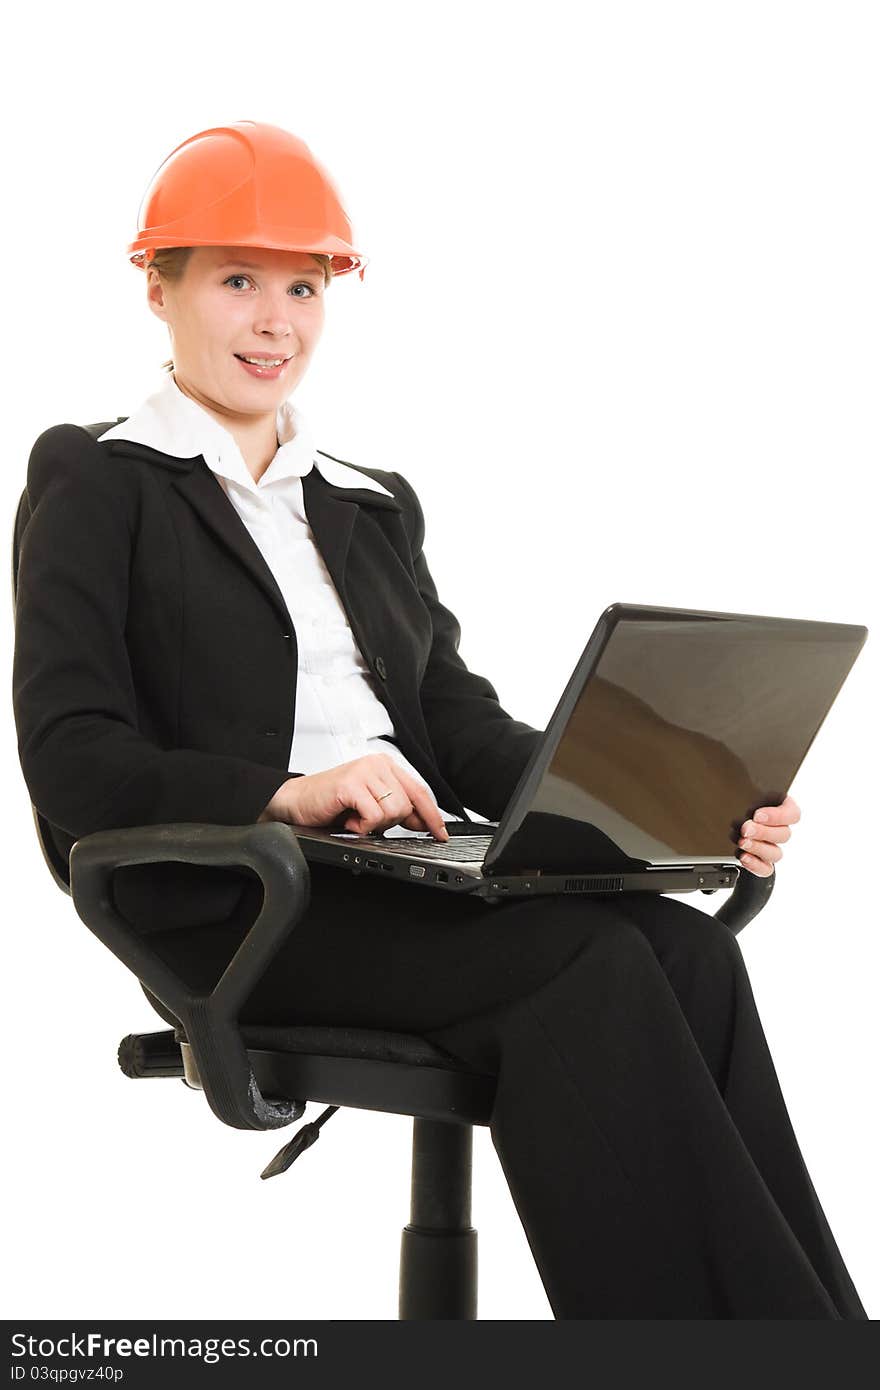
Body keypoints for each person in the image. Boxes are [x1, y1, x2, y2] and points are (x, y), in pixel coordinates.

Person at [11, 120, 869, 1320]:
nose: (276, 320)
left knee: (691, 954)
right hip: (252, 898)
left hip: (407, 874)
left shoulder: (365, 504)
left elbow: (459, 730)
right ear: (158, 289)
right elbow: (71, 757)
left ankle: (820, 1339)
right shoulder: (98, 480)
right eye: (238, 281)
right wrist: (286, 794)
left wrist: (660, 794)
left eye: (303, 287)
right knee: (593, 962)